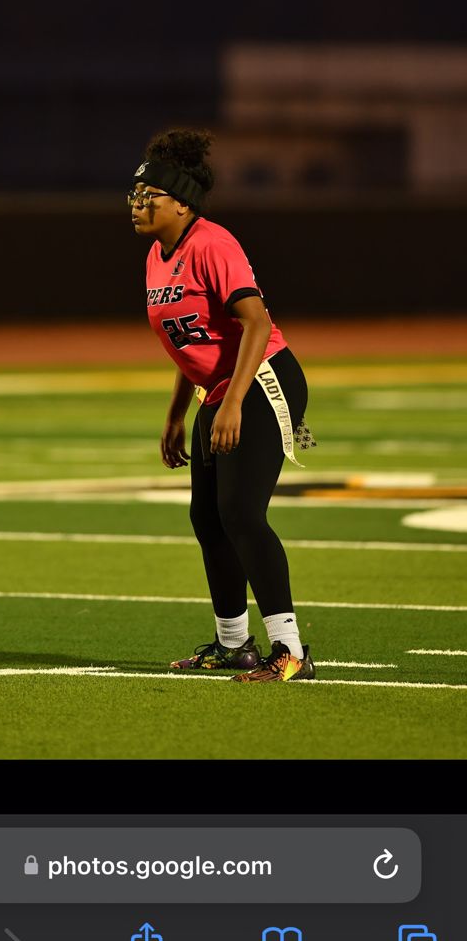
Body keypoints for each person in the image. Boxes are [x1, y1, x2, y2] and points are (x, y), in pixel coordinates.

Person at [129, 127, 316, 683]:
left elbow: (255, 323)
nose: (137, 204)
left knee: (240, 513)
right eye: (134, 195)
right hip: (219, 389)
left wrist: (232, 402)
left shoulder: (212, 243)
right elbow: (191, 343)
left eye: (149, 196)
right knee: (207, 518)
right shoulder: (156, 256)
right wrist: (176, 413)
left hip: (261, 379)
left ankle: (292, 650)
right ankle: (234, 644)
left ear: (183, 204)